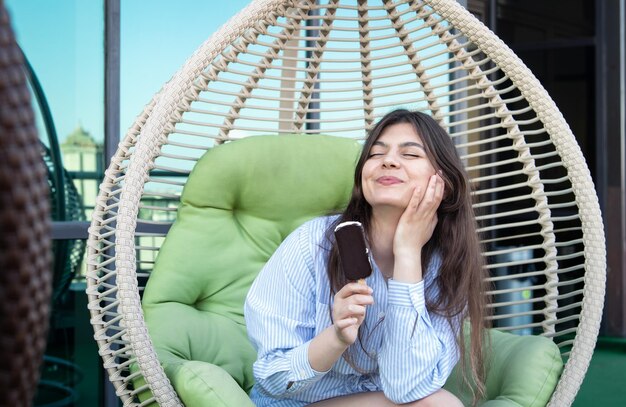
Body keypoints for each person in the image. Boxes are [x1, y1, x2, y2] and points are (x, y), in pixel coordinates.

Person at [244, 109, 488, 406]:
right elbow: (273, 379)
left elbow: (407, 389)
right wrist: (335, 338)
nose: (388, 160)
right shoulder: (312, 244)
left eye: (410, 155)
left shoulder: (447, 265)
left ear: (443, 183)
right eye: (375, 153)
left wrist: (408, 254)